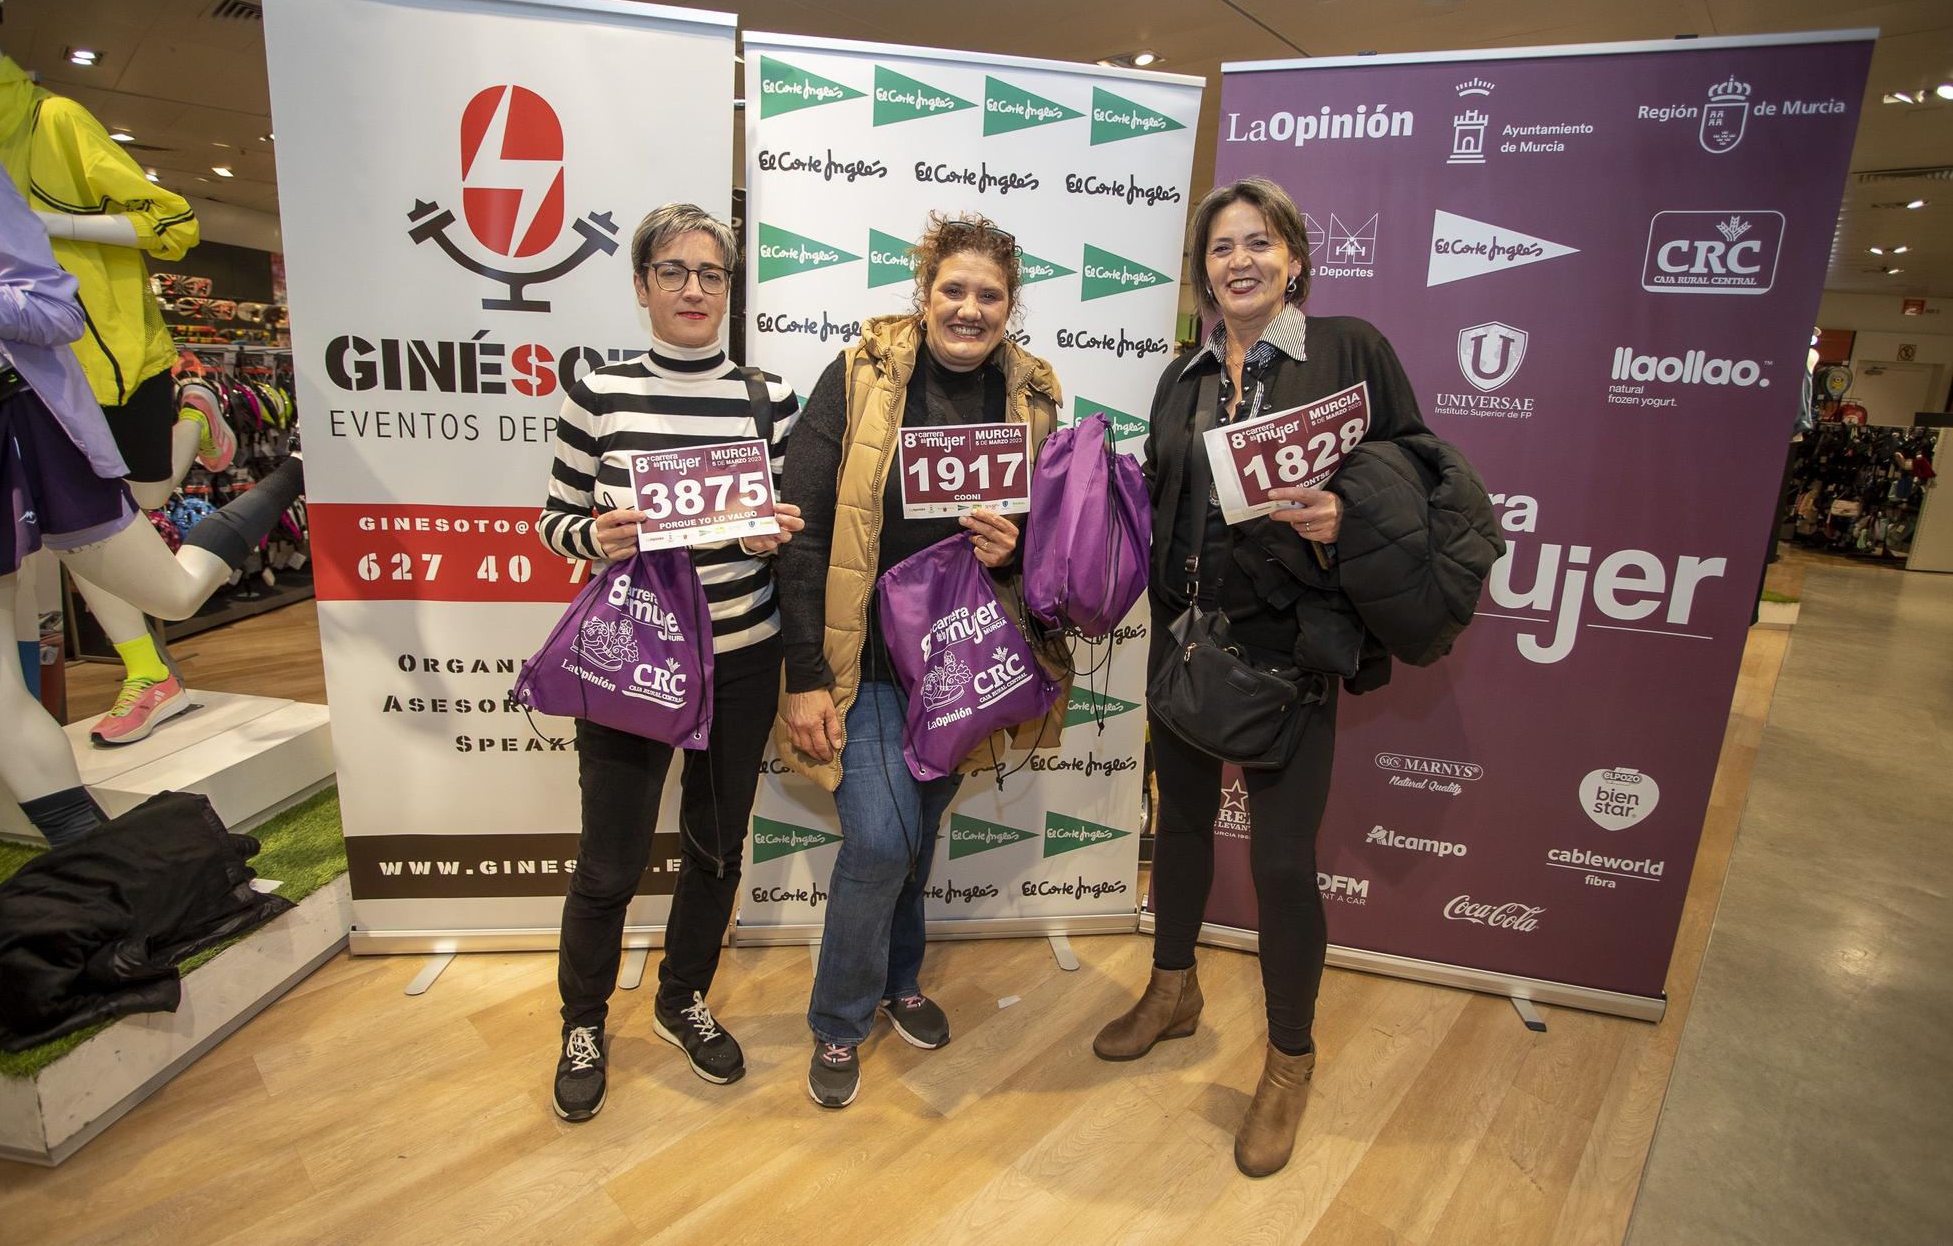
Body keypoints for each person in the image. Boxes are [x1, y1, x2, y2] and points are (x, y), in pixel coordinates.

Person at [1097, 177, 1432, 1178]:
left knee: (1284, 865)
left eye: (1257, 242)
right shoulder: (1180, 377)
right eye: (1218, 248)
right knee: (1185, 829)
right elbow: (1160, 498)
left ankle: (1288, 1059)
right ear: (1200, 270)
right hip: (1183, 645)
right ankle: (1172, 986)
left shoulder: (1347, 349)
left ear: (1292, 257)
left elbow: (1414, 467)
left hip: (1289, 653)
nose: (1237, 261)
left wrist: (1348, 517)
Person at [774, 212, 1067, 1110]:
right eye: (954, 289)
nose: (968, 308)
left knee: (918, 837)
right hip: (864, 664)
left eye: (988, 294)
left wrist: (1011, 550)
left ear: (1009, 306)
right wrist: (803, 672)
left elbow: (1054, 545)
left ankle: (902, 979)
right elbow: (802, 523)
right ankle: (838, 1018)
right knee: (877, 839)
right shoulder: (860, 372)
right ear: (925, 291)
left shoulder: (1035, 395)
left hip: (961, 660)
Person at [0, 130, 304, 844]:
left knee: (173, 592)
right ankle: (96, 861)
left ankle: (295, 470)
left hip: (7, 420)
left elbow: (55, 309)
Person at [537, 203, 802, 1123]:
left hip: (740, 656)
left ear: (730, 289)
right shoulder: (598, 392)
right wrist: (596, 535)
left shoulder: (770, 397)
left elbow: (787, 532)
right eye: (676, 271)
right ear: (643, 284)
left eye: (713, 274)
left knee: (715, 848)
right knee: (608, 862)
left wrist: (775, 539)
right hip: (632, 661)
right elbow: (553, 519)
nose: (695, 288)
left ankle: (682, 993)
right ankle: (582, 1019)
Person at [0, 0, 234, 748]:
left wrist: (46, 223)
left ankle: (191, 418)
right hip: (17, 377)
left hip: (103, 354)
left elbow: (175, 222)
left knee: (130, 518)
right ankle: (149, 671)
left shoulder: (51, 120)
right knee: (73, 533)